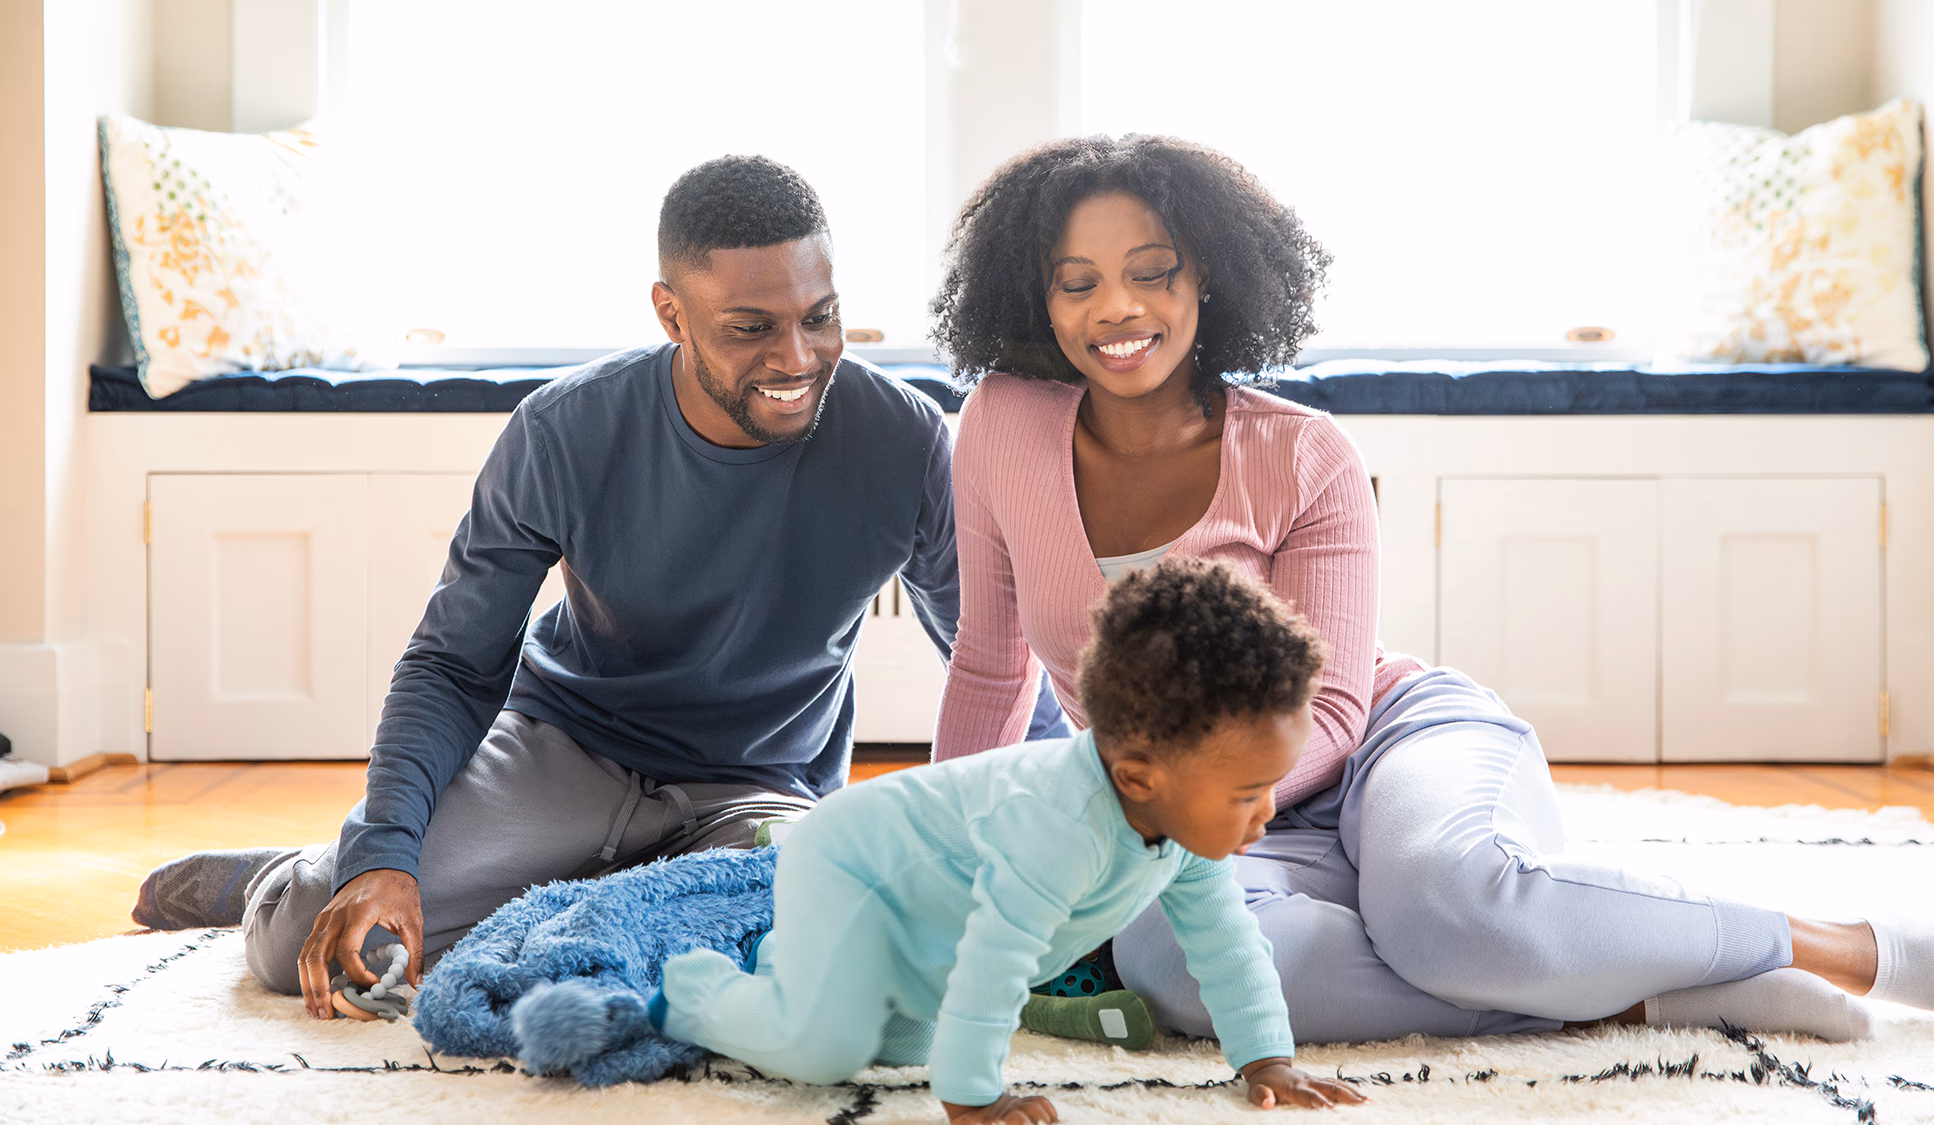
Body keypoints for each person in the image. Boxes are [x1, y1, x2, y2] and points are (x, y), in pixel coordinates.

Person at [928, 133, 1929, 1047]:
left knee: (1448, 908)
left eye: (1152, 273)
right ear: (1034, 298)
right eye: (1077, 283)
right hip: (1203, 818)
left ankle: (1834, 944)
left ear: (1211, 280)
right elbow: (986, 663)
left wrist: (1190, 800)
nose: (1115, 309)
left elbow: (1325, 706)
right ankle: (1645, 994)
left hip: (1382, 743)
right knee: (1176, 965)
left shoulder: (1300, 453)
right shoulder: (999, 425)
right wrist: (951, 862)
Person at [131, 154, 1065, 1019]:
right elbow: (453, 664)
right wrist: (383, 858)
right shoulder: (564, 430)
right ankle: (293, 876)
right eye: (751, 329)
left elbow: (995, 661)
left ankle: (527, 887)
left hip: (758, 789)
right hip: (567, 749)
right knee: (319, 947)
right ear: (670, 313)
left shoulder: (907, 440)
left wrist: (1090, 808)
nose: (796, 357)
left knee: (802, 951)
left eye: (818, 316)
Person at [649, 559, 1368, 1122]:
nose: (1270, 811)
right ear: (1141, 777)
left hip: (929, 928)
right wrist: (973, 1097)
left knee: (904, 1044)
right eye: (1248, 793)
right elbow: (994, 964)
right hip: (854, 867)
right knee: (821, 1050)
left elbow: (1225, 940)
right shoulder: (1059, 826)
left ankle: (794, 965)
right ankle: (693, 987)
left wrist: (1267, 1059)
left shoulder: (1178, 825)